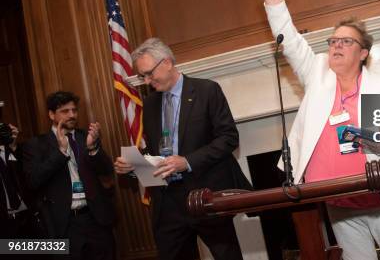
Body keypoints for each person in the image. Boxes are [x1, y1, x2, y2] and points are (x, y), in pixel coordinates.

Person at [254, 0, 380, 260]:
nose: (336, 46)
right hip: (339, 206)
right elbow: (290, 40)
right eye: (333, 40)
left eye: (347, 41)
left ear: (364, 53)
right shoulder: (316, 74)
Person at [113, 38, 251, 260]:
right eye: (143, 76)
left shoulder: (207, 90)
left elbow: (228, 138)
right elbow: (154, 149)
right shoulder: (150, 105)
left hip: (204, 194)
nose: (147, 81)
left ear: (167, 62)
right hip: (168, 202)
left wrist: (186, 161)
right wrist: (135, 165)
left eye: (149, 74)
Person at [22, 91, 116, 260]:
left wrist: (93, 148)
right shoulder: (36, 145)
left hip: (95, 218)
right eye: (65, 111)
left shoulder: (84, 137)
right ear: (51, 115)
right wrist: (61, 152)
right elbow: (33, 181)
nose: (72, 115)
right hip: (64, 225)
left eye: (74, 110)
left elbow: (106, 170)